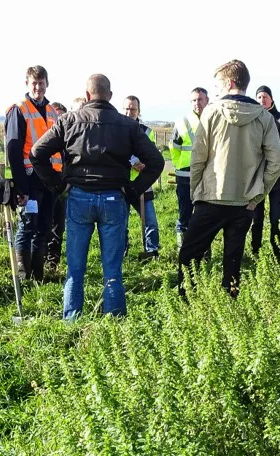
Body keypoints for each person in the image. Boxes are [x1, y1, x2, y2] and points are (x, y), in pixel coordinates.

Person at [31, 73, 164, 319]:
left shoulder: (69, 120)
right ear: (110, 96)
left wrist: (59, 185)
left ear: (88, 95)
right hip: (114, 198)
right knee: (112, 268)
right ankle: (114, 320)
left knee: (75, 268)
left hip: (79, 197)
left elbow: (36, 153)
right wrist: (132, 190)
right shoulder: (128, 125)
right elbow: (156, 161)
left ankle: (72, 320)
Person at [177, 60, 280, 297]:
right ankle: (230, 306)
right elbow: (276, 164)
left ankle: (186, 305)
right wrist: (258, 195)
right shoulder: (265, 118)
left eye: (217, 86)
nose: (215, 92)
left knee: (188, 256)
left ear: (230, 82)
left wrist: (196, 192)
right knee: (233, 260)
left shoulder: (211, 113)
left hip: (211, 197)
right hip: (245, 202)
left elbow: (198, 158)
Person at [4, 65, 62, 282]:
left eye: (41, 82)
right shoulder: (19, 109)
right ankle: (23, 275)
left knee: (44, 228)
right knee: (28, 226)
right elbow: (13, 150)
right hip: (30, 180)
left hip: (50, 180)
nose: (38, 87)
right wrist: (21, 186)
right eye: (34, 83)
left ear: (47, 83)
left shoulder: (53, 112)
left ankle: (38, 275)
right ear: (27, 84)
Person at [251, 85, 280, 261]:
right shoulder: (253, 118)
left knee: (275, 217)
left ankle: (277, 252)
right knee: (256, 216)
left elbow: (279, 147)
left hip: (275, 175)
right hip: (257, 175)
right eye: (259, 97)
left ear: (271, 99)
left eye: (265, 97)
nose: (262, 100)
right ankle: (255, 250)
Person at [169, 87, 209, 247]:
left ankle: (204, 250)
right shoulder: (182, 122)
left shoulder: (214, 119)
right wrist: (180, 167)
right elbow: (174, 147)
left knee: (206, 215)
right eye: (194, 100)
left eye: (200, 99)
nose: (197, 103)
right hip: (185, 175)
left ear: (207, 100)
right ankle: (183, 249)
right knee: (184, 213)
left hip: (208, 175)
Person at [122, 95, 160, 260]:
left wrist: (142, 162)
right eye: (127, 108)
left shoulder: (146, 131)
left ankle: (151, 251)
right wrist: (132, 161)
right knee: (121, 222)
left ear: (139, 111)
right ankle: (122, 250)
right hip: (122, 182)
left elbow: (151, 153)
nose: (130, 112)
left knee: (150, 220)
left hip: (143, 183)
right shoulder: (116, 129)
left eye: (133, 109)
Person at [47, 101, 70, 273]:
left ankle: (53, 262)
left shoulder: (69, 139)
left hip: (62, 187)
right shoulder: (47, 138)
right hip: (46, 185)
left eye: (62, 116)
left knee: (58, 226)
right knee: (43, 226)